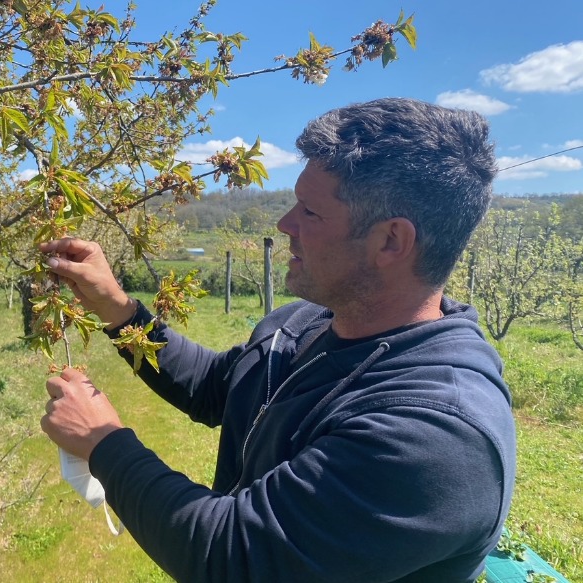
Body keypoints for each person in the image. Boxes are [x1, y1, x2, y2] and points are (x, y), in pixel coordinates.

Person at [39, 97, 516, 583]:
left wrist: (104, 442)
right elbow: (216, 386)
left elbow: (232, 557)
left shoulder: (433, 433)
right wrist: (118, 309)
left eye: (310, 211)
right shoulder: (306, 322)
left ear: (391, 241)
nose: (285, 224)